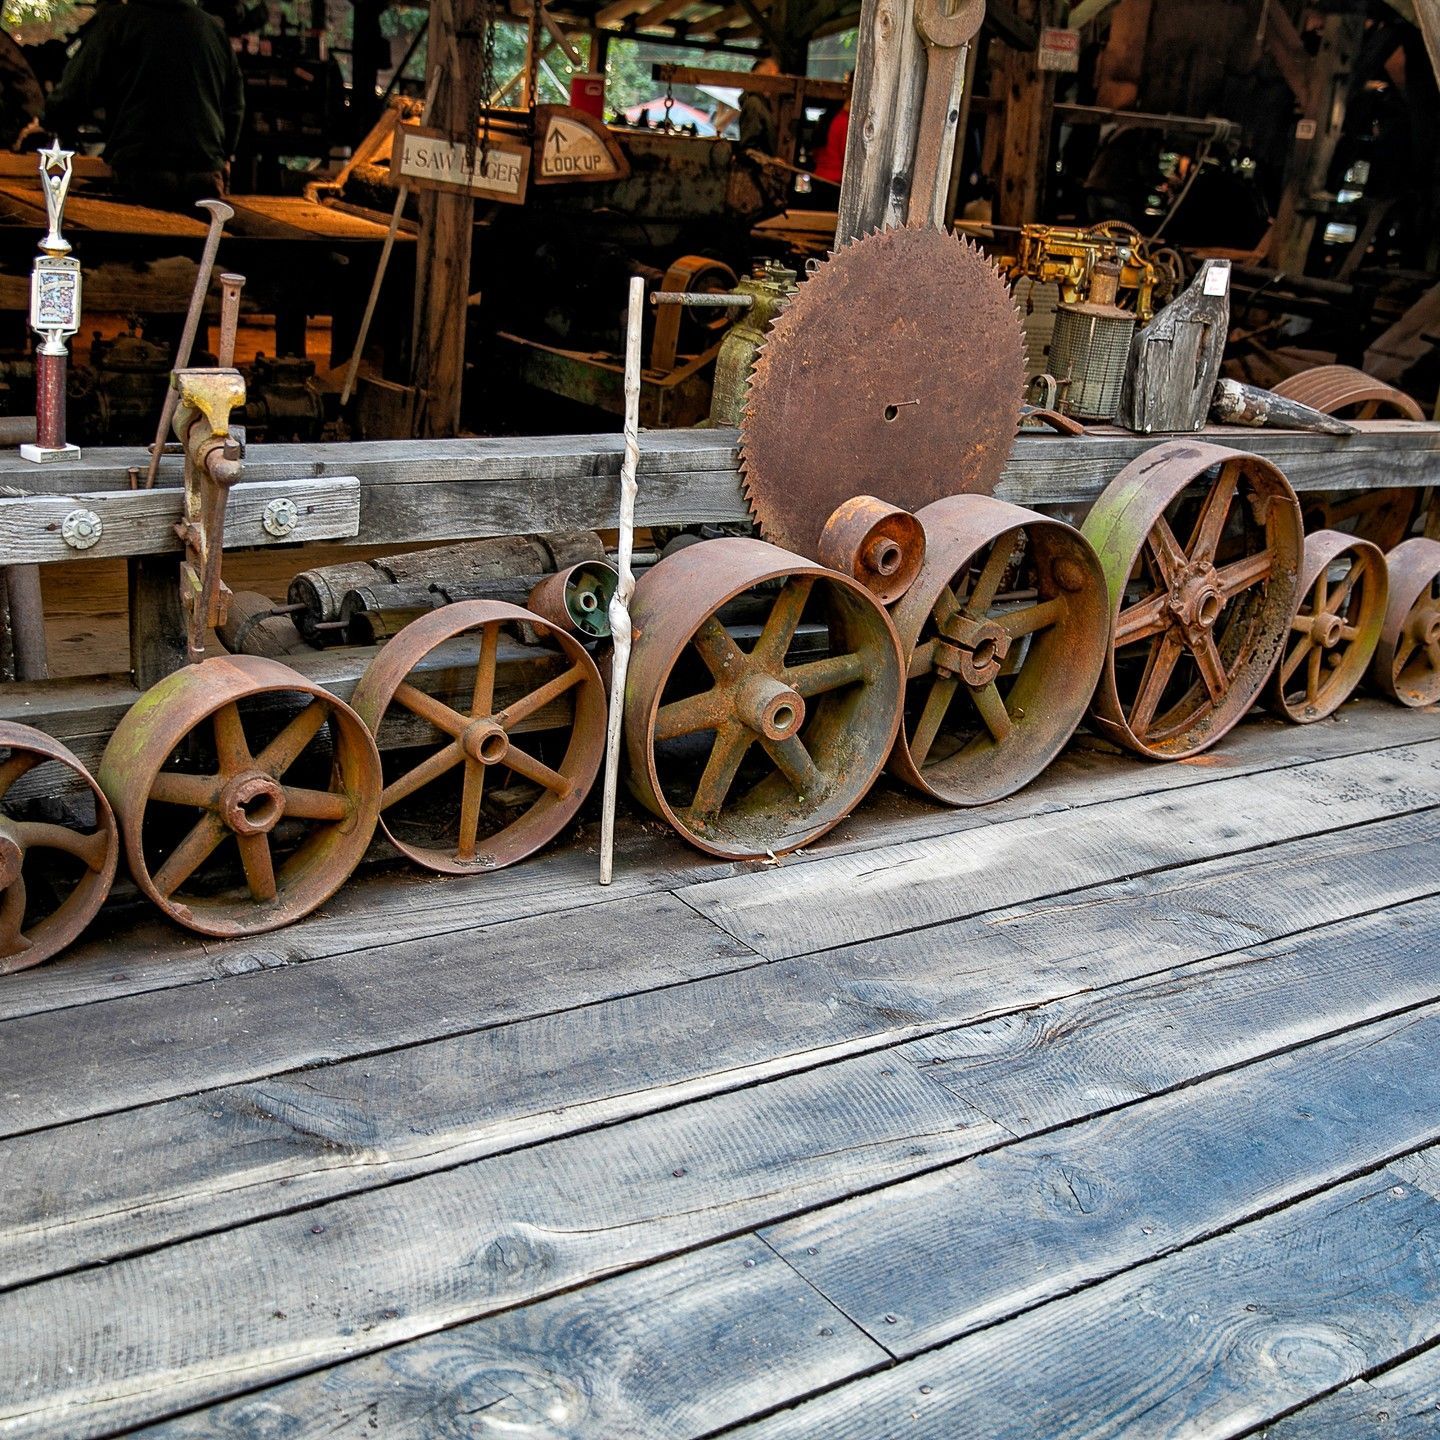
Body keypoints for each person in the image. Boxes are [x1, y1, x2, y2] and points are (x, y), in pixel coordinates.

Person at [44, 0, 244, 206]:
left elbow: (73, 94)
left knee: (143, 237)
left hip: (143, 169)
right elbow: (235, 106)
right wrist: (222, 155)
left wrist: (45, 118)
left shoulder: (117, 23)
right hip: (204, 172)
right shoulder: (212, 30)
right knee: (202, 239)